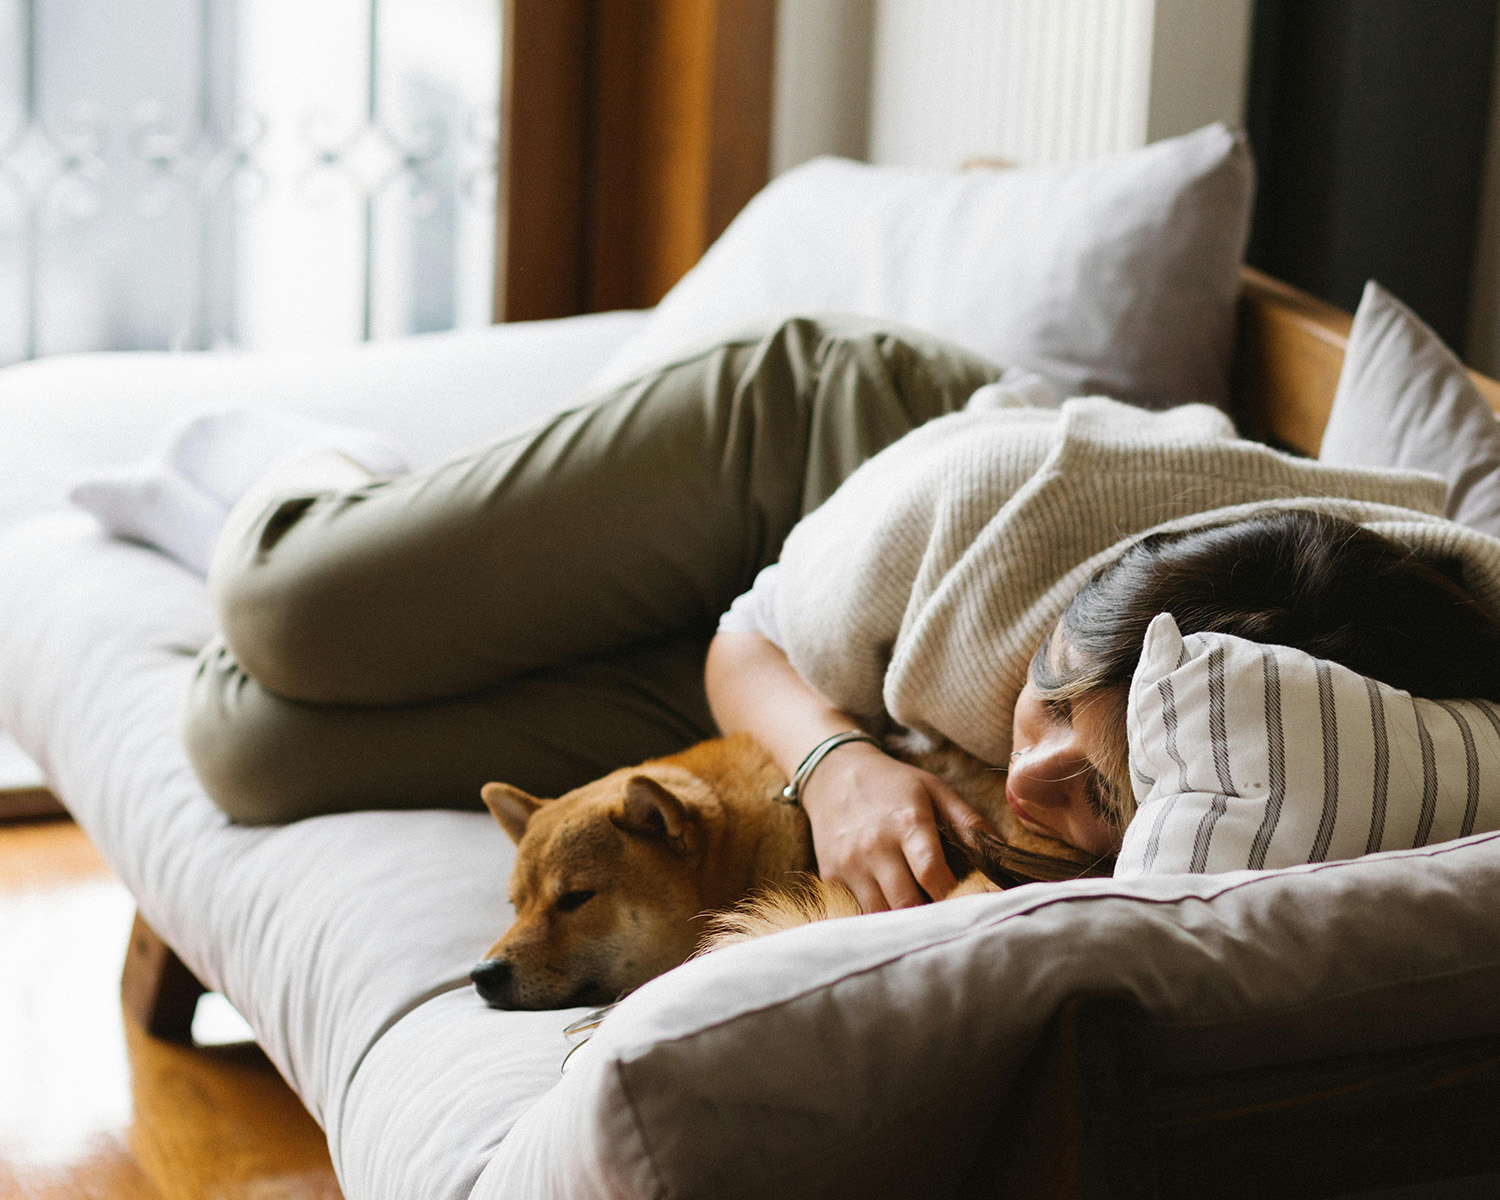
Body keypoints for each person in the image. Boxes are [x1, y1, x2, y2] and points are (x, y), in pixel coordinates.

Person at [128, 317, 1500, 912]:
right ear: (1066, 627)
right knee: (286, 611)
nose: (1030, 780)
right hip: (802, 477)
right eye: (1045, 712)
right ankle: (321, 475)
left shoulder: (1326, 715)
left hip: (851, 666)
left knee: (247, 747)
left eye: (1091, 793)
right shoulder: (1005, 512)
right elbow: (745, 638)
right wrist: (837, 764)